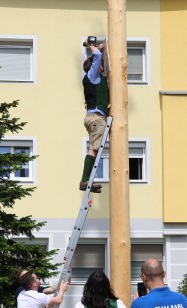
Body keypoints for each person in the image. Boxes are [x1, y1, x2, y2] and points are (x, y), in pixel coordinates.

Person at [80, 37, 108, 193]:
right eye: (99, 65)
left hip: (95, 116)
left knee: (96, 148)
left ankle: (88, 180)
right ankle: (85, 181)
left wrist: (103, 50)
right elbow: (96, 57)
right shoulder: (93, 76)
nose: (102, 66)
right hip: (96, 117)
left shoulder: (97, 78)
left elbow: (99, 56)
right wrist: (91, 46)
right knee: (94, 149)